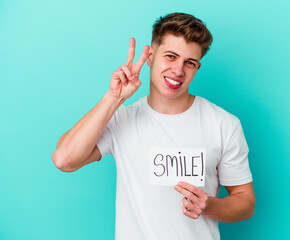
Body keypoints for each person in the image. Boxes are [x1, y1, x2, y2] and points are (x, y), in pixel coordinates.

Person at [52, 12, 255, 240]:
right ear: (150, 56)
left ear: (197, 67)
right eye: (170, 56)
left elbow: (245, 201)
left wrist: (208, 205)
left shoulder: (223, 124)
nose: (178, 70)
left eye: (189, 62)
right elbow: (64, 159)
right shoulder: (122, 118)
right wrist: (114, 98)